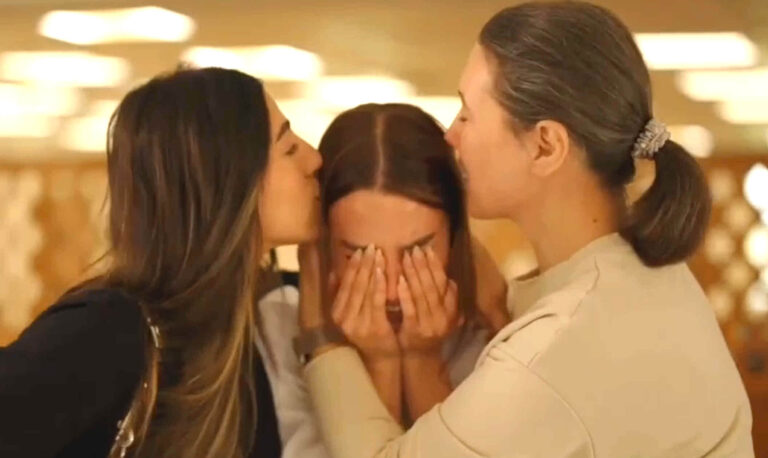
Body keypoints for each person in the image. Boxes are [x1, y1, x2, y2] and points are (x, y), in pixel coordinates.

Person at [299, 2, 754, 457]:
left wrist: (320, 335)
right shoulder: (644, 281)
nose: (451, 135)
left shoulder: (557, 350)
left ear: (545, 146)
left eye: (467, 114)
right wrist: (504, 304)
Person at [0, 67, 322, 458]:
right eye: (289, 148)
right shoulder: (111, 329)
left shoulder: (256, 323)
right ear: (228, 180)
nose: (315, 159)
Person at [256, 103, 508, 457]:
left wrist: (423, 362)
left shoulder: (497, 337)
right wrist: (376, 364)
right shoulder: (275, 331)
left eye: (417, 252)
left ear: (455, 237)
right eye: (360, 256)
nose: (390, 290)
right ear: (321, 247)